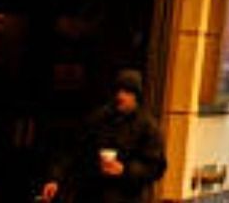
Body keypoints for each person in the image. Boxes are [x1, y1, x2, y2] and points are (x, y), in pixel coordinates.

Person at [40, 69, 166, 203]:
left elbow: (156, 166)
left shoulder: (148, 126)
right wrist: (55, 179)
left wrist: (125, 170)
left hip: (126, 197)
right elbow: (71, 150)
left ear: (136, 97)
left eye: (127, 92)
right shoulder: (99, 118)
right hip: (91, 194)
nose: (120, 96)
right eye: (118, 91)